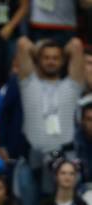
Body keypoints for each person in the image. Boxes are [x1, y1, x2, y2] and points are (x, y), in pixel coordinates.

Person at [16, 36, 85, 196]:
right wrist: (39, 52)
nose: (51, 61)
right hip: (33, 158)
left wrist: (64, 53)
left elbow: (76, 44)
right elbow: (23, 44)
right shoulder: (29, 84)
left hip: (65, 159)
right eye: (46, 58)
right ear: (38, 60)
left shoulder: (72, 86)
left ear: (62, 61)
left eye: (55, 58)